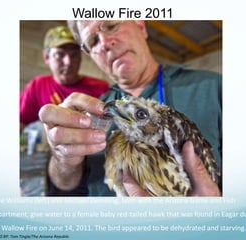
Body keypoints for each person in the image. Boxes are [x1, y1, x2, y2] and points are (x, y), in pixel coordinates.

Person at [38, 21, 222, 196]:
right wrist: (62, 158)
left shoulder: (214, 87)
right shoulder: (91, 113)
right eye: (93, 41)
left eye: (111, 26)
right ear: (90, 54)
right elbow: (65, 185)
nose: (105, 43)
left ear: (140, 25)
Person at [20, 26, 110, 131]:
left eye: (74, 55)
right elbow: (21, 123)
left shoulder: (101, 87)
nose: (68, 62)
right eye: (59, 55)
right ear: (47, 57)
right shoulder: (37, 85)